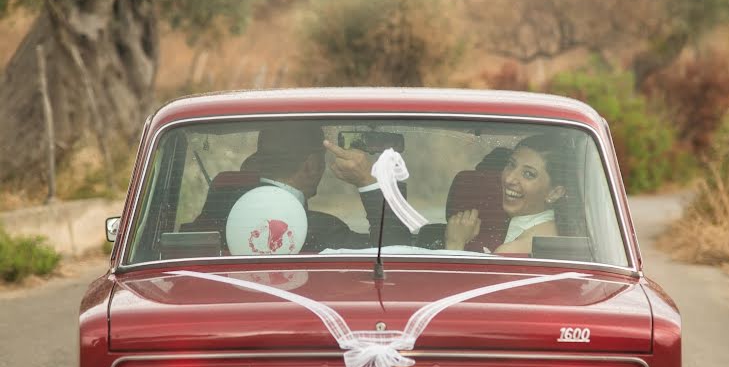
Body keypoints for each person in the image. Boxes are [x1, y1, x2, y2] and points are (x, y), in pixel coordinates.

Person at [237, 121, 411, 252]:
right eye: (322, 158)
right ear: (311, 165)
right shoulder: (323, 231)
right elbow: (396, 254)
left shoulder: (220, 217)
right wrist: (369, 181)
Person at [445, 135, 570, 254]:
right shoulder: (557, 232)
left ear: (554, 193)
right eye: (511, 165)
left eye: (528, 174)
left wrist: (455, 244)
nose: (509, 179)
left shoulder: (511, 251)